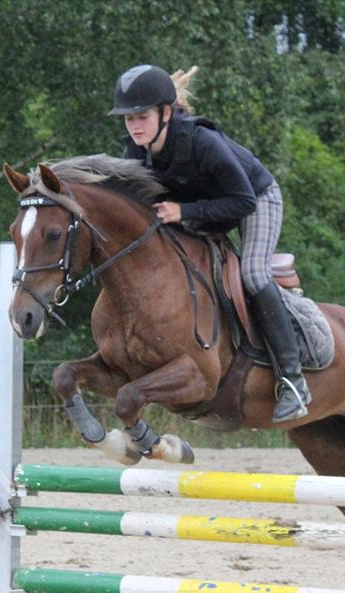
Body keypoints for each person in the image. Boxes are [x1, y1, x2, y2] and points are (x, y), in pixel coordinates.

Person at [109, 64, 310, 423]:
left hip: (255, 199)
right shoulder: (134, 152)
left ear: (166, 113)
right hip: (198, 210)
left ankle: (293, 379)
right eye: (128, 119)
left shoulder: (201, 141)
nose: (134, 126)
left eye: (141, 117)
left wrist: (183, 210)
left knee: (251, 274)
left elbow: (243, 201)